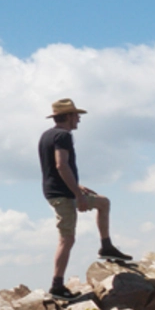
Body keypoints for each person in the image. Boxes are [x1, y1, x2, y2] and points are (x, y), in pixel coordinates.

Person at [39, 98, 132, 299]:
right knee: (67, 239)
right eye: (76, 115)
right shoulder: (63, 135)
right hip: (63, 195)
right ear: (69, 116)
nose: (79, 119)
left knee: (102, 202)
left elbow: (53, 169)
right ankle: (57, 285)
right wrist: (78, 195)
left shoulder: (47, 135)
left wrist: (78, 187)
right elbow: (61, 165)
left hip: (60, 191)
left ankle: (106, 246)